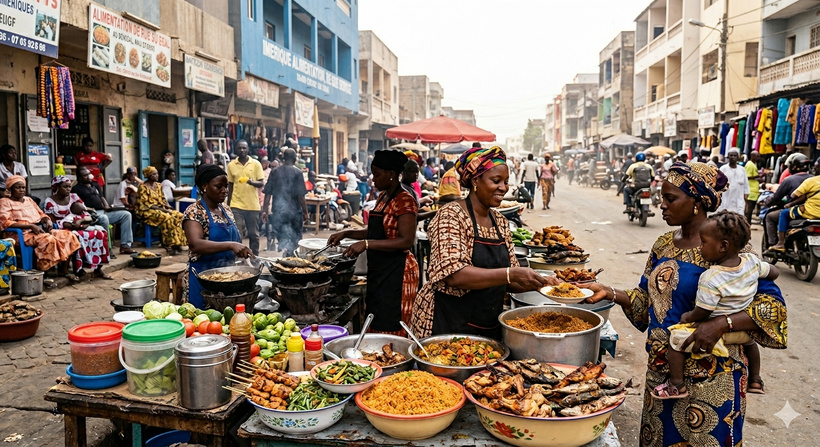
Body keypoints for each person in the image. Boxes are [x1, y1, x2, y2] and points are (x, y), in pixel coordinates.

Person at [587, 162, 787, 446]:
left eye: (670, 198)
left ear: (697, 201)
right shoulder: (663, 244)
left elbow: (772, 307)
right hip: (663, 376)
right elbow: (647, 304)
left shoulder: (728, 247)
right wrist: (610, 292)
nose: (662, 205)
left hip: (714, 377)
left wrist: (721, 324)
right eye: (661, 198)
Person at [410, 146, 554, 339]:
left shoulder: (501, 222)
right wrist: (511, 273)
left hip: (486, 324)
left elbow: (509, 280)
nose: (503, 187)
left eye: (505, 181)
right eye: (496, 181)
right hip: (447, 323)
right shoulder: (451, 216)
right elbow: (455, 275)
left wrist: (541, 284)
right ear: (475, 180)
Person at [652, 211, 776, 399]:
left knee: (676, 340)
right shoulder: (751, 262)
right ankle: (756, 380)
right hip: (741, 333)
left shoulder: (711, 277)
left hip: (716, 342)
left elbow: (704, 310)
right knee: (751, 343)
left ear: (723, 246)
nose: (700, 247)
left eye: (704, 243)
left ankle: (676, 384)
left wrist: (688, 317)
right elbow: (772, 272)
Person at [328, 150, 418, 335]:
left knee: (393, 322)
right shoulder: (382, 197)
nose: (373, 179)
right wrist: (347, 233)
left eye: (377, 174)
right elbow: (376, 230)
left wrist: (367, 244)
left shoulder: (405, 200)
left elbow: (406, 241)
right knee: (377, 319)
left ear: (391, 175)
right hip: (380, 270)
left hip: (399, 273)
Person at [183, 164, 253, 308]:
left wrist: (244, 258)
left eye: (226, 186)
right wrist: (231, 245)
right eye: (218, 186)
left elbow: (236, 240)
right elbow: (195, 244)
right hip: (202, 280)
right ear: (204, 186)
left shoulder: (226, 209)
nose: (225, 191)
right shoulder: (194, 211)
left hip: (228, 278)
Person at [0, 176, 80, 276]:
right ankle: (43, 272)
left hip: (37, 231)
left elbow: (41, 214)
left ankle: (63, 271)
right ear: (10, 189)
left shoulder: (28, 200)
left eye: (23, 187)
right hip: (20, 234)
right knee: (48, 240)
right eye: (18, 188)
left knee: (69, 236)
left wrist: (47, 220)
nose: (21, 190)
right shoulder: (5, 202)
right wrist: (31, 226)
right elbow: (5, 222)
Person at [44, 176, 112, 280]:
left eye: (69, 187)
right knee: (76, 236)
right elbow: (52, 222)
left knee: (101, 232)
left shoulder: (74, 197)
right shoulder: (50, 202)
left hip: (79, 225)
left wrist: (80, 222)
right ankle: (77, 269)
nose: (68, 189)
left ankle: (98, 268)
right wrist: (70, 225)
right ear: (57, 187)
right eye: (65, 187)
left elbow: (86, 215)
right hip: (61, 228)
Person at [73, 166, 135, 254]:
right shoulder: (76, 189)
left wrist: (106, 206)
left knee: (126, 215)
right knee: (104, 218)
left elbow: (102, 197)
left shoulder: (95, 184)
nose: (88, 176)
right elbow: (78, 206)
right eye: (85, 175)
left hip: (104, 212)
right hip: (90, 216)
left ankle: (125, 245)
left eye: (89, 174)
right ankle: (107, 248)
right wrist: (90, 210)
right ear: (79, 178)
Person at [262, 148, 308, 255]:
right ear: (295, 159)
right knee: (295, 239)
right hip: (295, 212)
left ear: (283, 158)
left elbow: (268, 194)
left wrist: (265, 210)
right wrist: (305, 212)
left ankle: (287, 257)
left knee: (283, 238)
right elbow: (301, 196)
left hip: (279, 212)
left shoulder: (275, 172)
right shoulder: (298, 172)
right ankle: (291, 258)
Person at [761, 154, 813, 247]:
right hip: (813, 211)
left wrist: (767, 202)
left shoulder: (789, 180)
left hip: (797, 211)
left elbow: (776, 197)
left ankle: (774, 243)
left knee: (770, 216)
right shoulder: (814, 179)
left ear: (794, 167)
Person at [767, 161, 820, 251]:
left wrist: (790, 202)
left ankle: (780, 243)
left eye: (816, 167)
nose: (814, 169)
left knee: (784, 213)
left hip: (810, 212)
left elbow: (794, 195)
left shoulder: (810, 181)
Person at [136, 166, 187, 255]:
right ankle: (168, 243)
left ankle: (178, 243)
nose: (157, 176)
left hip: (160, 209)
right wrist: (164, 210)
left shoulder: (159, 186)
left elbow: (163, 200)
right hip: (146, 211)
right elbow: (146, 205)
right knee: (167, 217)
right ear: (148, 175)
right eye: (154, 174)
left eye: (157, 173)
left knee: (179, 215)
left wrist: (169, 207)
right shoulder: (143, 187)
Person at [226, 140, 264, 255]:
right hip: (236, 204)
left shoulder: (256, 164)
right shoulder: (231, 165)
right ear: (235, 150)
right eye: (239, 148)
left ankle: (254, 257)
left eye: (244, 148)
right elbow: (230, 186)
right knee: (237, 233)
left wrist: (251, 182)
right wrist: (228, 205)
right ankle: (239, 257)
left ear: (248, 149)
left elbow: (261, 183)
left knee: (254, 235)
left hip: (252, 205)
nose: (242, 150)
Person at [717, 149, 749, 215]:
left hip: (739, 202)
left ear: (738, 157)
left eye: (735, 155)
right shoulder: (723, 169)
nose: (733, 157)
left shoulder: (742, 170)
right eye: (731, 155)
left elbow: (746, 186)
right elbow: (718, 185)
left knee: (738, 220)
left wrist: (746, 203)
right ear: (728, 157)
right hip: (725, 201)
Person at [745, 150, 764, 223]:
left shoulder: (753, 164)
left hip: (753, 191)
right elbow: (747, 176)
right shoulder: (750, 165)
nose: (758, 158)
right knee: (749, 210)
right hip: (751, 191)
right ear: (752, 156)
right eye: (757, 156)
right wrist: (757, 177)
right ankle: (747, 224)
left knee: (750, 209)